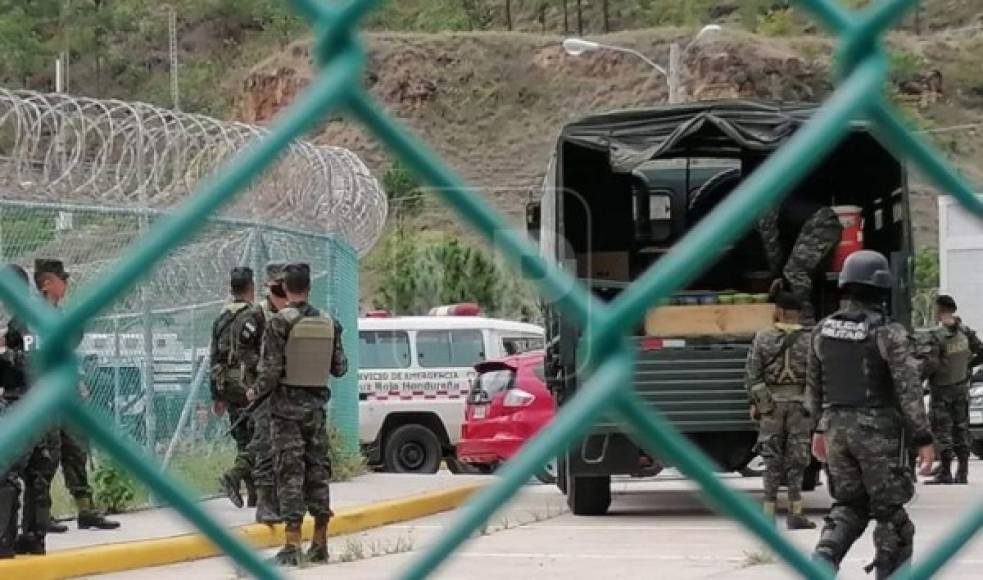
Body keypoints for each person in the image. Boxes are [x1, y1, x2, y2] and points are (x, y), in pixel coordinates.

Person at [807, 250, 934, 580]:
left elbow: (814, 388)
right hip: (877, 432)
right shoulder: (888, 332)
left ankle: (824, 558)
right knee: (891, 515)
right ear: (880, 289)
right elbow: (908, 389)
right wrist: (922, 438)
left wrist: (819, 431)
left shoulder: (822, 330)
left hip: (835, 431)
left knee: (848, 506)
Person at [259, 263, 347, 566]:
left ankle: (292, 545)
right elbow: (340, 368)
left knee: (289, 473)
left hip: (286, 412)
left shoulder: (279, 322)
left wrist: (253, 393)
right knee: (317, 472)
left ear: (285, 289)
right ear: (309, 288)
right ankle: (320, 541)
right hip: (316, 411)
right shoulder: (329, 322)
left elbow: (270, 372)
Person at [33, 259, 121, 532]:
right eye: (62, 279)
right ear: (47, 283)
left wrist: (79, 382)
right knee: (48, 454)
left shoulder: (60, 315)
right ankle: (40, 514)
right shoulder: (32, 316)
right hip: (44, 391)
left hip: (66, 390)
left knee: (76, 449)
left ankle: (86, 509)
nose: (66, 285)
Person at [745, 292, 816, 530]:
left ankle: (768, 514)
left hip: (772, 407)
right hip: (800, 407)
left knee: (771, 460)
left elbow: (753, 375)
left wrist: (762, 404)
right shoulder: (811, 339)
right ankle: (795, 513)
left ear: (779, 311)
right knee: (797, 462)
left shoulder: (763, 338)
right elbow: (818, 378)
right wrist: (810, 404)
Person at [241, 262, 288, 524]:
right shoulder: (256, 316)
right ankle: (265, 504)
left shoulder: (291, 313)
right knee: (265, 447)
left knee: (286, 449)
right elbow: (242, 350)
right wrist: (263, 367)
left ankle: (282, 501)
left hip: (288, 391)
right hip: (262, 391)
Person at [921, 294, 983, 485]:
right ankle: (962, 472)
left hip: (941, 390)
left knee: (942, 430)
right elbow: (981, 352)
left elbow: (929, 365)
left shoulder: (936, 336)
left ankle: (946, 472)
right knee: (961, 429)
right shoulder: (966, 332)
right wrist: (967, 367)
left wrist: (920, 380)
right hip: (961, 388)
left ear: (939, 311)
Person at [211, 267, 258, 509]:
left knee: (242, 437)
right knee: (259, 436)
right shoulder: (253, 315)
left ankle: (253, 494)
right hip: (247, 383)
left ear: (231, 289)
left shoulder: (221, 318)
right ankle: (235, 476)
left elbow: (213, 357)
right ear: (251, 287)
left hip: (226, 384)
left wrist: (216, 395)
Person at [758, 198, 843, 325]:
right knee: (805, 274)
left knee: (795, 273)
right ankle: (820, 316)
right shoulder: (774, 208)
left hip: (820, 224)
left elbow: (773, 249)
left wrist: (777, 276)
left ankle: (806, 324)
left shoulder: (764, 213)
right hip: (824, 222)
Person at [0, 264, 34, 557]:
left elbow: (30, 364)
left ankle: (6, 542)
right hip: (19, 402)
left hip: (25, 404)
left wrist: (4, 352)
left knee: (7, 473)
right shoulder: (16, 322)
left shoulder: (27, 322)